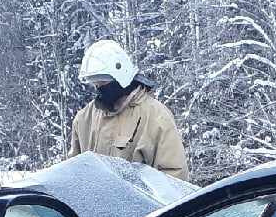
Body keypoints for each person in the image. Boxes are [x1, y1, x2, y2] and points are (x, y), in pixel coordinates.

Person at [69, 39, 188, 181]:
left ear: (121, 75)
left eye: (102, 81)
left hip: (144, 203)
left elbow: (174, 176)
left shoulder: (156, 117)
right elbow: (73, 173)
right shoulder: (84, 119)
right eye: (94, 82)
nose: (98, 87)